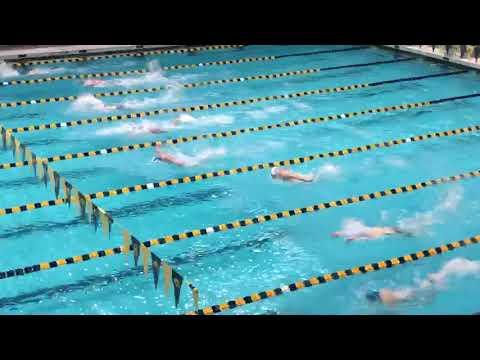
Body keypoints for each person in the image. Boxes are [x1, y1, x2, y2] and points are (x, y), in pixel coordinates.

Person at [331, 219, 409, 242]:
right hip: (371, 231)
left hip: (371, 233)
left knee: (386, 232)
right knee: (386, 231)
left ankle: (406, 232)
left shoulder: (346, 232)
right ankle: (404, 232)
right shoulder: (346, 231)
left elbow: (359, 233)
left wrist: (352, 238)